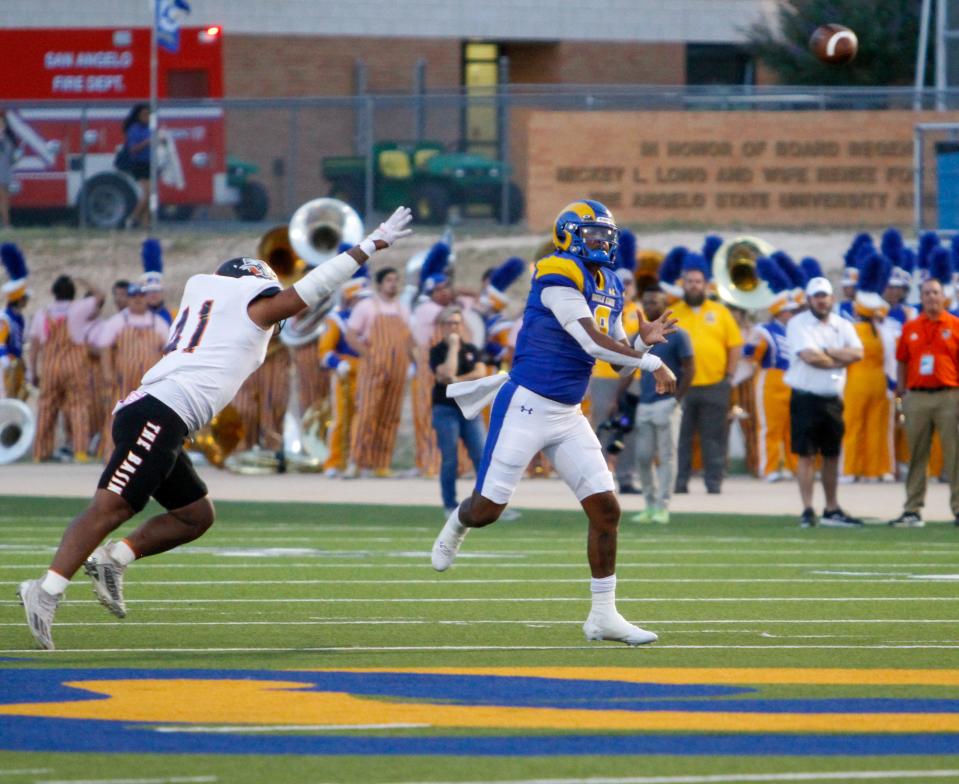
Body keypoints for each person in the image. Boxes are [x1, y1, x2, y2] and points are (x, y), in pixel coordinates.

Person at [16, 206, 413, 650]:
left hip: (164, 414)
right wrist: (368, 246)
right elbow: (309, 290)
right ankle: (45, 590)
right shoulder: (249, 308)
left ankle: (116, 558)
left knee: (194, 516)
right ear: (252, 289)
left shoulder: (208, 303)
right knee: (111, 508)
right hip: (159, 412)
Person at [430, 200, 677, 647]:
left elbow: (616, 360)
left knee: (607, 509)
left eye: (607, 235)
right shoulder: (557, 271)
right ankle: (457, 522)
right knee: (487, 511)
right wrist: (652, 360)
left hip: (566, 414)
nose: (602, 242)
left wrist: (641, 340)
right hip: (526, 404)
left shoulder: (610, 285)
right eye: (593, 234)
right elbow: (590, 340)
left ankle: (603, 616)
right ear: (568, 235)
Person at [784, 275, 864, 528]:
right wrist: (839, 358)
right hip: (806, 396)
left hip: (831, 398)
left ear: (831, 298)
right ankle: (808, 508)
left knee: (831, 454)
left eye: (824, 296)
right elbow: (809, 357)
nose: (821, 301)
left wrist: (827, 352)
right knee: (806, 454)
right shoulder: (798, 323)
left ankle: (831, 507)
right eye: (816, 297)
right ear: (809, 299)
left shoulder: (842, 324)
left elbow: (859, 352)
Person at [889, 278, 959, 527]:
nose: (931, 297)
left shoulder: (954, 325)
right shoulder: (911, 327)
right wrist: (902, 392)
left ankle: (958, 508)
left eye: (936, 292)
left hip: (949, 395)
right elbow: (902, 361)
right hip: (917, 395)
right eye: (927, 293)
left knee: (954, 454)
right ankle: (912, 509)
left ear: (943, 296)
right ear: (921, 297)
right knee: (917, 454)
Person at [670, 255, 743, 494]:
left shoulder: (720, 312)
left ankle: (714, 483)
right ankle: (679, 482)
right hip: (682, 387)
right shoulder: (673, 312)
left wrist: (730, 376)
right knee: (681, 438)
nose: (693, 285)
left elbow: (734, 345)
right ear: (683, 284)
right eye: (689, 281)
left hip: (715, 385)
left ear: (706, 284)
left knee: (714, 439)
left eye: (698, 281)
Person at [629, 286, 693, 525]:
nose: (650, 306)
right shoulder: (640, 335)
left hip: (666, 401)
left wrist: (676, 400)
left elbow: (690, 369)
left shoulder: (679, 335)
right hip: (645, 402)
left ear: (665, 304)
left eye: (655, 302)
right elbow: (629, 364)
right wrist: (619, 396)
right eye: (646, 302)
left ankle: (663, 506)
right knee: (643, 456)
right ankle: (649, 503)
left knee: (667, 456)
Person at [344, 266, 414, 478]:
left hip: (398, 368)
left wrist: (412, 362)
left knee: (390, 416)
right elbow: (351, 335)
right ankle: (355, 462)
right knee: (366, 414)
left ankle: (381, 464)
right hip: (373, 368)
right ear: (380, 284)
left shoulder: (402, 308)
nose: (394, 284)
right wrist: (369, 356)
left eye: (396, 280)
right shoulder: (367, 306)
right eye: (389, 280)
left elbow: (408, 338)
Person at [29, 275, 104, 462]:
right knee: (78, 407)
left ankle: (40, 453)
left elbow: (35, 344)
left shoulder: (42, 314)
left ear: (53, 293)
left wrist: (33, 371)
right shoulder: (78, 308)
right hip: (74, 365)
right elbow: (100, 296)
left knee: (46, 408)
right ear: (73, 293)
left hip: (50, 366)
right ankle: (80, 451)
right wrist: (84, 280)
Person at [90, 282, 169, 456]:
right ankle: (110, 454)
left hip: (150, 382)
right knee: (116, 416)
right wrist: (107, 373)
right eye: (134, 297)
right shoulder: (117, 321)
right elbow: (104, 349)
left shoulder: (158, 323)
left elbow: (168, 350)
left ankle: (149, 456)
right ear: (129, 299)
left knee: (151, 418)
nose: (138, 301)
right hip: (123, 380)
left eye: (141, 297)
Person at [429, 305, 488, 515]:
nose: (454, 327)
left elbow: (480, 372)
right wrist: (453, 348)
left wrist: (458, 381)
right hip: (446, 409)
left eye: (457, 322)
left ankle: (487, 503)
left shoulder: (471, 349)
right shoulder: (437, 351)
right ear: (442, 326)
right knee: (450, 458)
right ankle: (449, 503)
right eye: (450, 323)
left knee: (482, 456)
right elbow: (445, 374)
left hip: (470, 409)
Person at [410, 242, 455, 477]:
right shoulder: (428, 308)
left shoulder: (430, 306)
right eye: (442, 288)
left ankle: (441, 463)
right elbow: (450, 315)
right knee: (428, 415)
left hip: (444, 363)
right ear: (432, 292)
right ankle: (429, 463)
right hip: (429, 365)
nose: (447, 292)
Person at [318, 270, 368, 476]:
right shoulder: (336, 319)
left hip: (367, 372)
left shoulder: (371, 316)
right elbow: (324, 350)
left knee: (364, 419)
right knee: (341, 418)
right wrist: (337, 363)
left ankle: (359, 461)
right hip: (345, 373)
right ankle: (334, 461)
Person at [0, 243, 29, 399]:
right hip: (6, 368)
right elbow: (1, 344)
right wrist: (7, 364)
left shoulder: (19, 319)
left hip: (16, 366)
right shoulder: (4, 318)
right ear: (20, 300)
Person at [121, 104, 151, 228]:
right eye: (144, 114)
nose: (147, 117)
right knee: (149, 193)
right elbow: (133, 149)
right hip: (139, 164)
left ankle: (145, 223)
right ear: (138, 116)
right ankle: (133, 218)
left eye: (148, 114)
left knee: (148, 195)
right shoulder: (134, 129)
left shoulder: (150, 128)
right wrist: (146, 142)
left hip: (150, 163)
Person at [0, 110, 18, 228]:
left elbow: (12, 158)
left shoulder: (8, 141)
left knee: (5, 200)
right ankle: (5, 223)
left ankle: (6, 223)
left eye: (2, 124)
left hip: (5, 174)